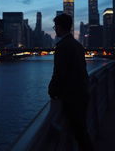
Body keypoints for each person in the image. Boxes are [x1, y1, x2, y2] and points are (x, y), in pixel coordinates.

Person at [48, 13, 94, 151]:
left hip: (72, 97)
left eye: (55, 26)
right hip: (82, 93)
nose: (55, 29)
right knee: (81, 131)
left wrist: (52, 90)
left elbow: (59, 73)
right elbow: (81, 70)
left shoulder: (62, 46)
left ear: (60, 27)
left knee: (78, 133)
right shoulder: (77, 45)